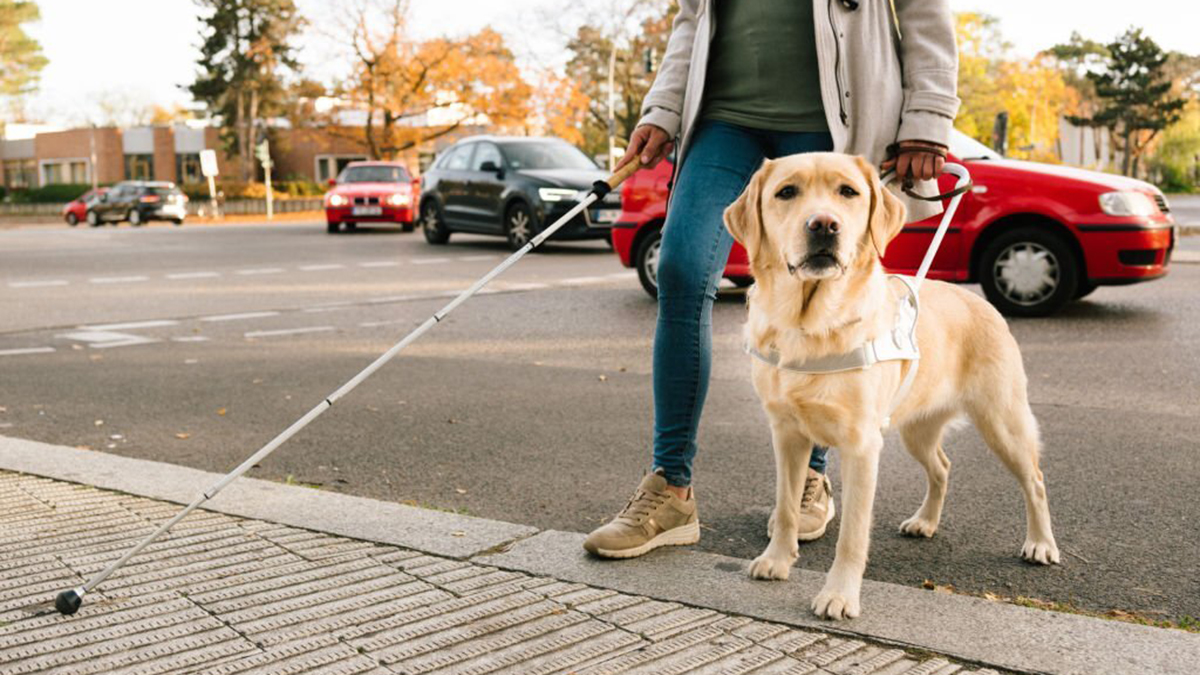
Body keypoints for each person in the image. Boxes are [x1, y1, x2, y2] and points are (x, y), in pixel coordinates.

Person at [584, 0, 959, 558]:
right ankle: (670, 488)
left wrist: (927, 116)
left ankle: (812, 473)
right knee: (682, 269)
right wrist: (662, 108)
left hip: (836, 110)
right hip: (722, 118)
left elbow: (925, 11)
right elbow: (692, 17)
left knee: (825, 288)